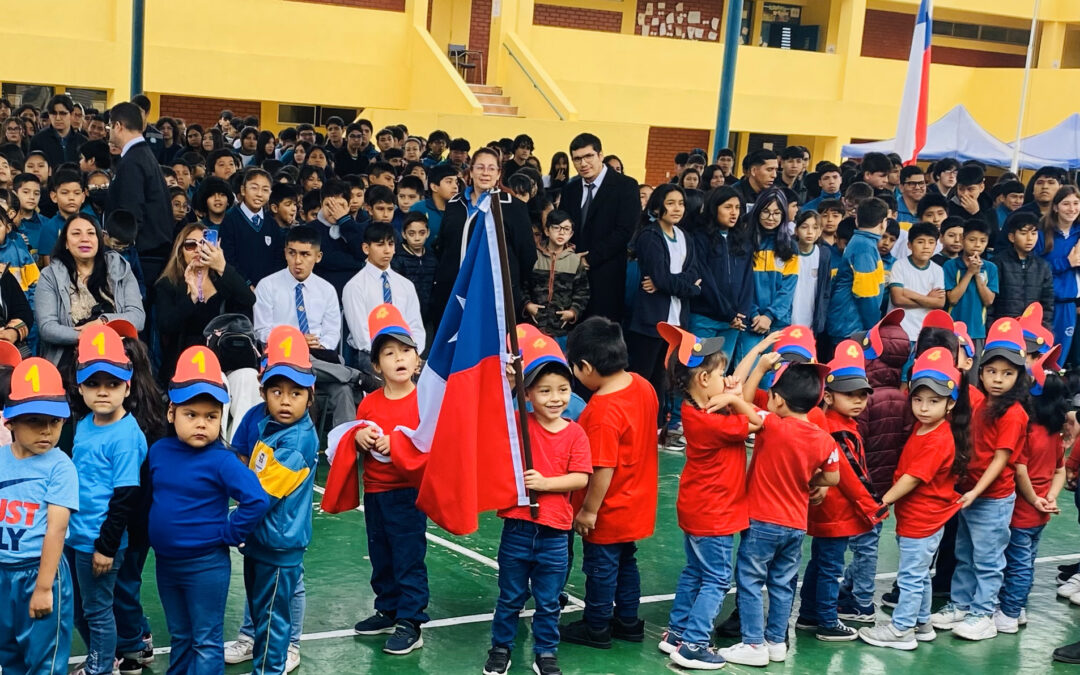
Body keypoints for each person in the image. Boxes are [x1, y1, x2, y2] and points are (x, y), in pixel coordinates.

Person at [148, 346, 270, 673]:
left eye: (211, 416)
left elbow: (256, 499)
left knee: (205, 639)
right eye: (192, 414)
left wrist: (230, 532)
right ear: (172, 412)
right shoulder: (159, 452)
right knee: (181, 635)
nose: (201, 423)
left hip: (205, 567)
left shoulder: (221, 461)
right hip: (166, 564)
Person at [482, 325, 591, 675]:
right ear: (528, 394)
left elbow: (581, 477)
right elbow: (493, 411)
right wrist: (510, 381)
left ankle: (545, 651)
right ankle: (500, 647)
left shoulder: (575, 432)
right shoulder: (518, 423)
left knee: (548, 601)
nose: (555, 398)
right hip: (517, 527)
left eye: (562, 389)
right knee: (510, 597)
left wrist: (545, 484)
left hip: (555, 533)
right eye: (544, 391)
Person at [719, 360, 839, 667]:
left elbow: (744, 406)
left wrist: (734, 396)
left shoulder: (772, 424)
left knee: (749, 581)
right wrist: (810, 480)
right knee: (782, 584)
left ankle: (753, 643)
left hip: (761, 520)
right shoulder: (824, 439)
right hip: (796, 523)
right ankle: (775, 641)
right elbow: (833, 477)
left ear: (779, 401)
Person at [655, 323, 761, 669]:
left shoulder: (694, 409)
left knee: (695, 572)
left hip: (697, 508)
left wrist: (728, 395)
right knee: (716, 578)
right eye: (720, 374)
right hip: (714, 513)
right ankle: (695, 644)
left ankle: (676, 632)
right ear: (703, 380)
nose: (725, 379)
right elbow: (756, 424)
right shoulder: (715, 421)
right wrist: (736, 399)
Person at [858, 346, 967, 650]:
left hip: (923, 520)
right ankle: (921, 622)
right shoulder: (924, 428)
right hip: (919, 518)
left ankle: (901, 629)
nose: (923, 407)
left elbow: (913, 477)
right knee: (919, 575)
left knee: (910, 576)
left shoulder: (938, 438)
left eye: (933, 401)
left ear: (950, 404)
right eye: (918, 399)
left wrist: (884, 500)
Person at [559, 317, 658, 649]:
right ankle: (628, 620)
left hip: (609, 508)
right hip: (637, 501)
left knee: (600, 568)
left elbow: (602, 468)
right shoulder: (643, 386)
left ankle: (597, 625)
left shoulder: (602, 410)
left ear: (586, 366)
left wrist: (588, 511)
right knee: (627, 561)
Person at [930, 318, 1028, 640]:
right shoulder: (979, 401)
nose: (998, 379)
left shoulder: (1014, 414)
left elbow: (1001, 460)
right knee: (965, 554)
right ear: (981, 371)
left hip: (992, 498)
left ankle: (983, 613)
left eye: (1008, 373)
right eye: (992, 372)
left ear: (1019, 375)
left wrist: (975, 493)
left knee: (987, 559)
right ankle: (960, 604)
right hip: (970, 494)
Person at [347, 304, 429, 655]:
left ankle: (411, 619)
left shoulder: (424, 401)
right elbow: (357, 432)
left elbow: (428, 446)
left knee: (408, 555)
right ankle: (388, 608)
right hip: (376, 492)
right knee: (380, 553)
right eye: (389, 353)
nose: (399, 358)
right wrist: (359, 437)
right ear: (377, 366)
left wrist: (396, 443)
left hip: (408, 493)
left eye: (405, 351)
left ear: (417, 359)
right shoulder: (369, 403)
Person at [66, 325, 146, 675]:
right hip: (75, 536)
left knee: (98, 611)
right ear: (80, 387)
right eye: (94, 384)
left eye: (112, 384)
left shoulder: (126, 436)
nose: (103, 392)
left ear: (127, 386)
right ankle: (104, 658)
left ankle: (101, 667)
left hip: (98, 543)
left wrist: (106, 547)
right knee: (79, 608)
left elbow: (124, 497)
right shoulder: (84, 423)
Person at [241, 326, 319, 675]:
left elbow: (260, 496)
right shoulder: (263, 421)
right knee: (263, 619)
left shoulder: (298, 441)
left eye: (296, 392)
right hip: (259, 542)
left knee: (273, 627)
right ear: (263, 392)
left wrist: (227, 529)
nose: (285, 400)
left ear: (310, 394)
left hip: (278, 547)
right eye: (277, 390)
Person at [798, 340, 881, 641]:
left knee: (819, 562)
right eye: (850, 395)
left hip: (828, 510)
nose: (858, 400)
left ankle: (808, 614)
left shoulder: (837, 422)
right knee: (831, 566)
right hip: (837, 512)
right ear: (829, 396)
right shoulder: (839, 430)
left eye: (862, 394)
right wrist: (872, 507)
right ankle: (827, 620)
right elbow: (850, 476)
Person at [0, 357, 78, 675]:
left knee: (44, 662)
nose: (46, 430)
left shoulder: (60, 466)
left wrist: (44, 588)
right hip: (4, 573)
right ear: (10, 423)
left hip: (41, 572)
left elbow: (56, 531)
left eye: (55, 421)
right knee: (10, 655)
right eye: (34, 420)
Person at [253, 225, 361, 427]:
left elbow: (331, 335)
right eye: (292, 253)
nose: (297, 261)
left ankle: (344, 448)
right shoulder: (267, 286)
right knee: (328, 373)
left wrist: (315, 347)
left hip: (318, 358)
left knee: (343, 390)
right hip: (281, 359)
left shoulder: (326, 290)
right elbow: (262, 332)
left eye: (305, 254)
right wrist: (295, 342)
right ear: (285, 252)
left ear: (318, 257)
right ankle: (354, 375)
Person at [996, 348, 1065, 633]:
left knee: (1017, 564)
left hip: (1023, 512)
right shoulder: (1054, 433)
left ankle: (1010, 613)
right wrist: (1051, 496)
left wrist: (1034, 499)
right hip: (1040, 513)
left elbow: (1020, 469)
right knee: (1027, 562)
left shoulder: (1028, 431)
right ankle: (1019, 607)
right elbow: (1060, 469)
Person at [626, 184, 700, 423]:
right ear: (658, 207)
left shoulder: (685, 236)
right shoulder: (650, 235)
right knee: (644, 376)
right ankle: (635, 422)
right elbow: (660, 277)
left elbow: (692, 272)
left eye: (680, 203)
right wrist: (691, 288)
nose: (677, 208)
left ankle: (656, 425)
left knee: (665, 377)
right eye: (671, 203)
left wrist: (676, 284)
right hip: (651, 321)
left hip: (678, 320)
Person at [36, 215, 145, 369]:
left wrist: (103, 322)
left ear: (99, 240)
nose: (84, 239)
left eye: (91, 233)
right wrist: (87, 336)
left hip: (119, 353)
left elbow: (138, 317)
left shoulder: (119, 268)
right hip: (70, 357)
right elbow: (47, 327)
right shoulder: (50, 275)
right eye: (76, 234)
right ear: (66, 243)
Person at [154, 222, 255, 382]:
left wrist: (222, 266)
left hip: (223, 360)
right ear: (180, 251)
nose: (198, 250)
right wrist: (191, 297)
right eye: (190, 245)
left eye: (204, 244)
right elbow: (166, 325)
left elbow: (248, 300)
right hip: (183, 361)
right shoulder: (168, 284)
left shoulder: (223, 281)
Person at [559, 134, 640, 322]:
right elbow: (563, 225)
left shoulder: (625, 186)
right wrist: (569, 256)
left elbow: (624, 231)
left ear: (600, 155)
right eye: (577, 159)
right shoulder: (570, 189)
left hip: (607, 274)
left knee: (601, 337)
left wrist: (589, 259)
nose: (583, 163)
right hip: (572, 276)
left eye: (588, 156)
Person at [103, 102, 173, 289]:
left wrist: (118, 243)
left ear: (118, 126)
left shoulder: (132, 161)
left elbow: (131, 211)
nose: (109, 131)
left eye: (110, 127)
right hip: (153, 254)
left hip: (141, 257)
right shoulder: (144, 155)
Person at [343, 221, 426, 376]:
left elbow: (415, 326)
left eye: (391, 244)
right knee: (395, 373)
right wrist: (388, 356)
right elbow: (361, 335)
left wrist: (413, 355)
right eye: (380, 245)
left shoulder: (405, 285)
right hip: (370, 354)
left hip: (405, 352)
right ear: (366, 248)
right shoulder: (355, 286)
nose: (387, 250)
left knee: (434, 375)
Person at [687, 186, 754, 368]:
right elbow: (705, 280)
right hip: (704, 318)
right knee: (695, 371)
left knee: (719, 374)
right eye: (727, 207)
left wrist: (742, 312)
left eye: (738, 208)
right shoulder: (700, 238)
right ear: (714, 207)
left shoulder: (742, 240)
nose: (734, 213)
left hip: (732, 323)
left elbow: (748, 279)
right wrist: (729, 313)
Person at [826, 197, 888, 357]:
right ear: (884, 223)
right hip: (851, 325)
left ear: (857, 220)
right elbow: (865, 294)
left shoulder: (861, 242)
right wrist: (873, 327)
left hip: (848, 323)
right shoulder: (864, 247)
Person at [745, 188, 798, 362]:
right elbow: (743, 284)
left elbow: (788, 289)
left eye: (776, 213)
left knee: (771, 377)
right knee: (745, 372)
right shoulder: (746, 242)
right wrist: (754, 314)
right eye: (766, 212)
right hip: (750, 322)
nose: (770, 217)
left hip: (777, 323)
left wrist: (769, 315)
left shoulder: (790, 247)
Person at [525, 209, 589, 349]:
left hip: (561, 327)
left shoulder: (575, 261)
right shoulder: (533, 257)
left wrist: (573, 312)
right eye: (556, 228)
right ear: (547, 231)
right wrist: (527, 305)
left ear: (571, 234)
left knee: (559, 363)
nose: (561, 232)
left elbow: (582, 292)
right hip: (534, 324)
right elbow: (523, 285)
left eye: (566, 229)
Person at [220, 167, 286, 288]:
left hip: (268, 291)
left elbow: (278, 258)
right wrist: (247, 284)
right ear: (243, 190)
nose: (259, 194)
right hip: (239, 291)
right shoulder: (230, 221)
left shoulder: (272, 224)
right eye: (254, 188)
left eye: (265, 190)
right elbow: (228, 259)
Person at [1035, 186, 1080, 361]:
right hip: (1044, 304)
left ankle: (1055, 388)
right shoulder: (1042, 234)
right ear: (1055, 207)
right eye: (1066, 203)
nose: (1072, 208)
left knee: (1058, 361)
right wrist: (1066, 262)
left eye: (1076, 203)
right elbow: (1036, 269)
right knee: (1040, 356)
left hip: (1069, 304)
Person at [943, 219, 998, 359]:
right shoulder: (950, 265)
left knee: (972, 375)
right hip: (953, 329)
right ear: (962, 239)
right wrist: (969, 273)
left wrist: (977, 274)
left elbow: (989, 300)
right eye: (972, 240)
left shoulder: (990, 268)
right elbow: (953, 299)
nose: (977, 245)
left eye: (983, 241)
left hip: (977, 331)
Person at [887, 222, 946, 343]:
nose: (926, 246)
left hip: (924, 333)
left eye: (931, 242)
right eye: (920, 242)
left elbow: (939, 303)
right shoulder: (899, 265)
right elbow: (897, 300)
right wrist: (928, 300)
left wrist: (910, 294)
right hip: (899, 331)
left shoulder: (938, 270)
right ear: (909, 245)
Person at [992, 211, 1053, 324]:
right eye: (1024, 233)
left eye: (1034, 233)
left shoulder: (1042, 266)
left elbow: (1047, 303)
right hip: (1003, 328)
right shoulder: (998, 263)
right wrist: (990, 327)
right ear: (1011, 237)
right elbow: (991, 303)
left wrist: (1044, 327)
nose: (1029, 239)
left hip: (1032, 330)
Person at [392, 213, 438, 335]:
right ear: (403, 234)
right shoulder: (396, 257)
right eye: (412, 233)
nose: (417, 238)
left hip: (428, 318)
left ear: (428, 233)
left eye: (421, 233)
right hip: (404, 317)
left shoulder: (432, 256)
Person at [790, 210, 831, 339]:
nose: (809, 232)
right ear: (796, 230)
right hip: (788, 317)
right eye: (804, 227)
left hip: (811, 318)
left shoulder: (823, 254)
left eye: (815, 228)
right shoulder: (788, 252)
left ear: (820, 231)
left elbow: (825, 290)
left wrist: (821, 319)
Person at [30, 94, 85, 168]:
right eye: (54, 113)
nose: (58, 118)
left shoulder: (82, 142)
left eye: (63, 113)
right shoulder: (38, 140)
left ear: (71, 114)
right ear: (49, 115)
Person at [409, 164, 458, 242]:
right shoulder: (418, 208)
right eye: (449, 182)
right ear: (434, 187)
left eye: (456, 182)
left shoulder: (459, 210)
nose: (455, 186)